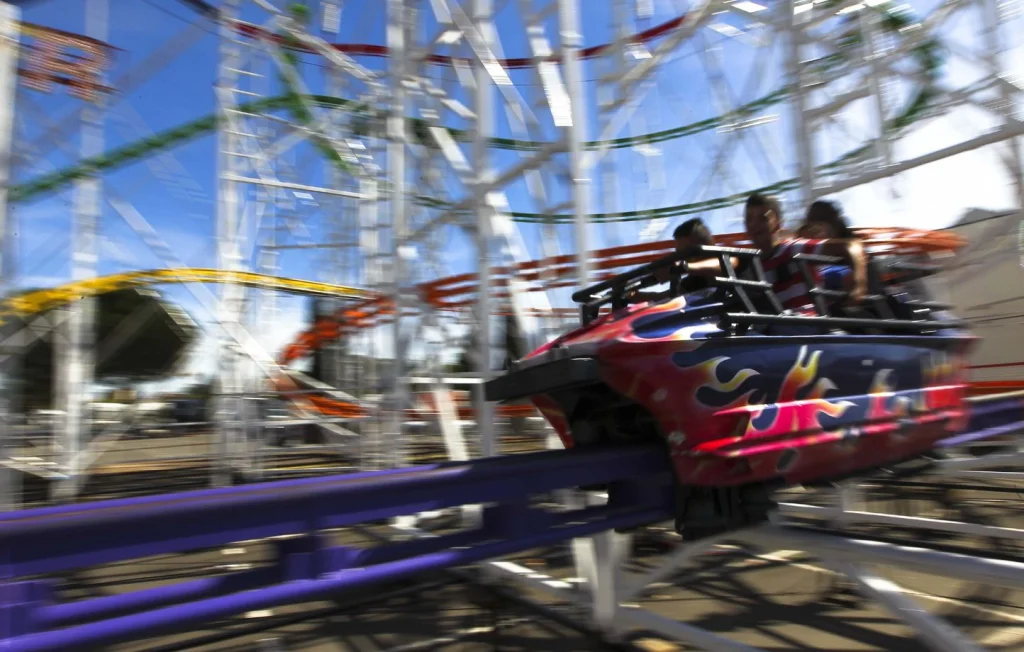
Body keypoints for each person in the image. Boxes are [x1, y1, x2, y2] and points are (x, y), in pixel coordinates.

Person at [687, 193, 868, 314]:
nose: (754, 224)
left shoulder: (793, 248)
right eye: (749, 219)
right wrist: (688, 266)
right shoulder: (752, 261)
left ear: (778, 223)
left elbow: (850, 246)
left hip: (805, 326)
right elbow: (726, 262)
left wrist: (858, 284)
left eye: (762, 218)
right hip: (774, 333)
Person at [628, 218, 714, 304]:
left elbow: (720, 265)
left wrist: (685, 267)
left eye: (687, 252)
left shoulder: (724, 261)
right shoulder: (693, 281)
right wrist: (633, 296)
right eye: (679, 253)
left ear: (706, 246)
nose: (682, 257)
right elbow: (663, 298)